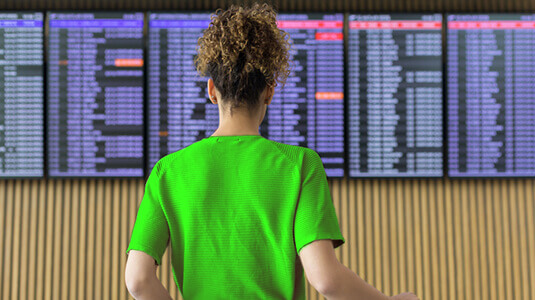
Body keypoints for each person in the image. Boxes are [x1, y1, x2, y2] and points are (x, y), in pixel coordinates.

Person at [124, 3, 419, 300]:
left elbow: (137, 280)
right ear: (269, 90)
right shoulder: (300, 165)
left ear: (212, 90)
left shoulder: (168, 171)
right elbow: (326, 279)